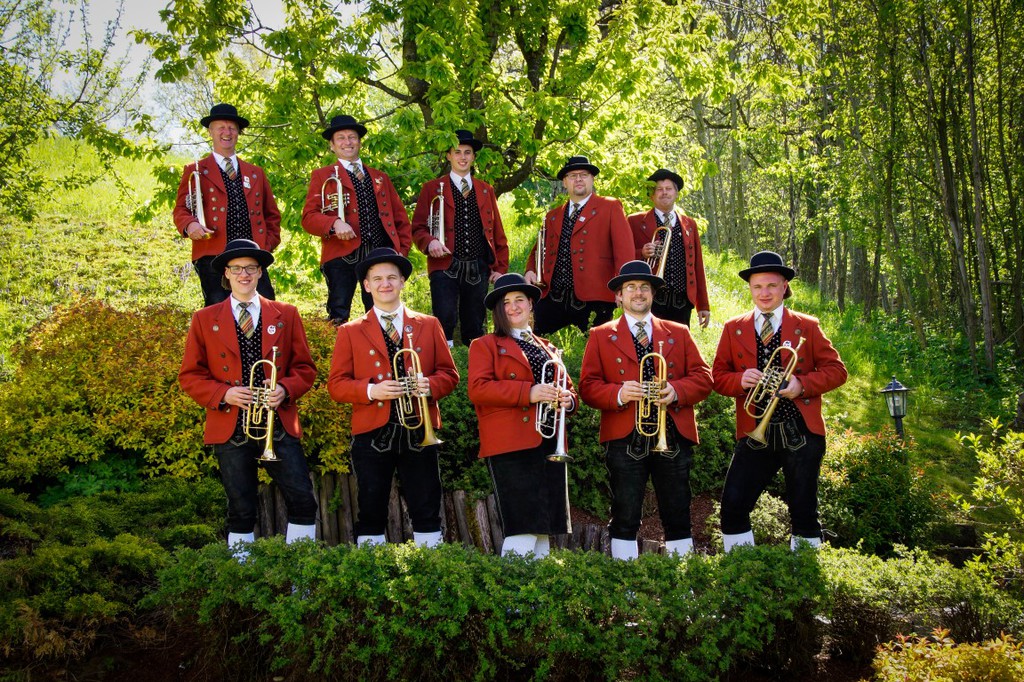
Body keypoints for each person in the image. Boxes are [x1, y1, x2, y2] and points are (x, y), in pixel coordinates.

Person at [179, 239, 318, 557]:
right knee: (240, 508)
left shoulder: (286, 314)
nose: (244, 274)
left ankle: (300, 573)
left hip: (278, 423)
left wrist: (285, 389)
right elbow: (190, 375)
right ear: (226, 274)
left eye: (251, 268)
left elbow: (305, 368)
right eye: (237, 268)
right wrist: (224, 393)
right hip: (230, 424)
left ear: (260, 273)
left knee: (303, 500)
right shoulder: (204, 318)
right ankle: (243, 578)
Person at [713, 251, 847, 551]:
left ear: (784, 286)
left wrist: (802, 385)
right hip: (755, 429)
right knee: (733, 505)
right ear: (750, 288)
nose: (764, 293)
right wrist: (739, 380)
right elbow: (717, 377)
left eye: (771, 285)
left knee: (804, 510)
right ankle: (741, 568)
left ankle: (805, 572)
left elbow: (838, 371)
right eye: (758, 286)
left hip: (800, 431)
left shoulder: (807, 325)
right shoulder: (734, 327)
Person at [579, 261, 713, 559]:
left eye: (644, 288)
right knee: (625, 511)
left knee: (678, 511)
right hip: (625, 435)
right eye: (630, 288)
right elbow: (587, 387)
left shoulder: (678, 331)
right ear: (619, 296)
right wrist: (618, 393)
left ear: (652, 294)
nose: (638, 293)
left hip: (672, 433)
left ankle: (682, 577)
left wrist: (676, 390)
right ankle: (624, 577)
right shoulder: (601, 334)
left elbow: (704, 378)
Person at [327, 247, 459, 547]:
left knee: (426, 506)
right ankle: (370, 570)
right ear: (366, 285)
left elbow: (450, 375)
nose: (384, 284)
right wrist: (371, 390)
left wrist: (429, 385)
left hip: (419, 426)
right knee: (371, 507)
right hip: (372, 431)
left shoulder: (429, 324)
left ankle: (431, 567)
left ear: (402, 282)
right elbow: (336, 385)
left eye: (391, 277)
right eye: (377, 279)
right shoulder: (350, 331)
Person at [467, 273, 575, 557]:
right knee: (523, 524)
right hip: (511, 443)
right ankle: (513, 585)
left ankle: (537, 584)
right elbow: (478, 389)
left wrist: (568, 400)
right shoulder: (485, 345)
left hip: (548, 441)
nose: (513, 307)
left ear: (530, 304)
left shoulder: (548, 346)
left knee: (544, 525)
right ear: (497, 310)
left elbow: (568, 388)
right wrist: (529, 392)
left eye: (519, 300)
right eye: (505, 303)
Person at [301, 115, 412, 325]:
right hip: (341, 255)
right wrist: (334, 223)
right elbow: (308, 218)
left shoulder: (380, 177)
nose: (348, 142)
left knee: (383, 311)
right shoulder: (322, 176)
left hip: (379, 253)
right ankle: (338, 347)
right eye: (341, 138)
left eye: (352, 137)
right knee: (338, 312)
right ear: (332, 145)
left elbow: (400, 219)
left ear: (360, 142)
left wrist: (401, 251)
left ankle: (384, 345)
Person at [173, 104, 281, 307]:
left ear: (238, 133)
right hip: (213, 254)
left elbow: (272, 214)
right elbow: (181, 209)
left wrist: (266, 245)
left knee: (266, 306)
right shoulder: (195, 170)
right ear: (210, 131)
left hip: (251, 254)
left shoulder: (255, 172)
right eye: (220, 127)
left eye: (232, 128)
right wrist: (190, 225)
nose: (227, 132)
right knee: (218, 309)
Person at [411, 129, 509, 347]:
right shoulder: (431, 189)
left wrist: (500, 267)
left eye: (467, 152)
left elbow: (497, 232)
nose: (462, 157)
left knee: (475, 323)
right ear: (449, 156)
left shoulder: (486, 190)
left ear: (473, 157)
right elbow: (417, 228)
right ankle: (445, 359)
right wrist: (430, 242)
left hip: (478, 266)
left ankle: (473, 361)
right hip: (444, 264)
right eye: (457, 152)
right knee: (443, 317)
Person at [524, 155, 634, 334]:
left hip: (595, 296)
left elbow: (624, 251)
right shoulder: (552, 215)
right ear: (565, 182)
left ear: (592, 179)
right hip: (554, 295)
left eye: (584, 175)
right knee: (532, 338)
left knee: (597, 346)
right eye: (573, 176)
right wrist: (530, 270)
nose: (579, 179)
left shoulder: (610, 207)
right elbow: (538, 250)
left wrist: (624, 286)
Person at [628, 169, 711, 328]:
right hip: (649, 298)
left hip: (682, 301)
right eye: (659, 189)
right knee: (648, 340)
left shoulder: (689, 224)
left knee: (680, 342)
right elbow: (623, 257)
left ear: (676, 193)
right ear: (652, 195)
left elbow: (697, 266)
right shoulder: (635, 221)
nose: (664, 192)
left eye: (669, 189)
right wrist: (641, 253)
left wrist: (703, 305)